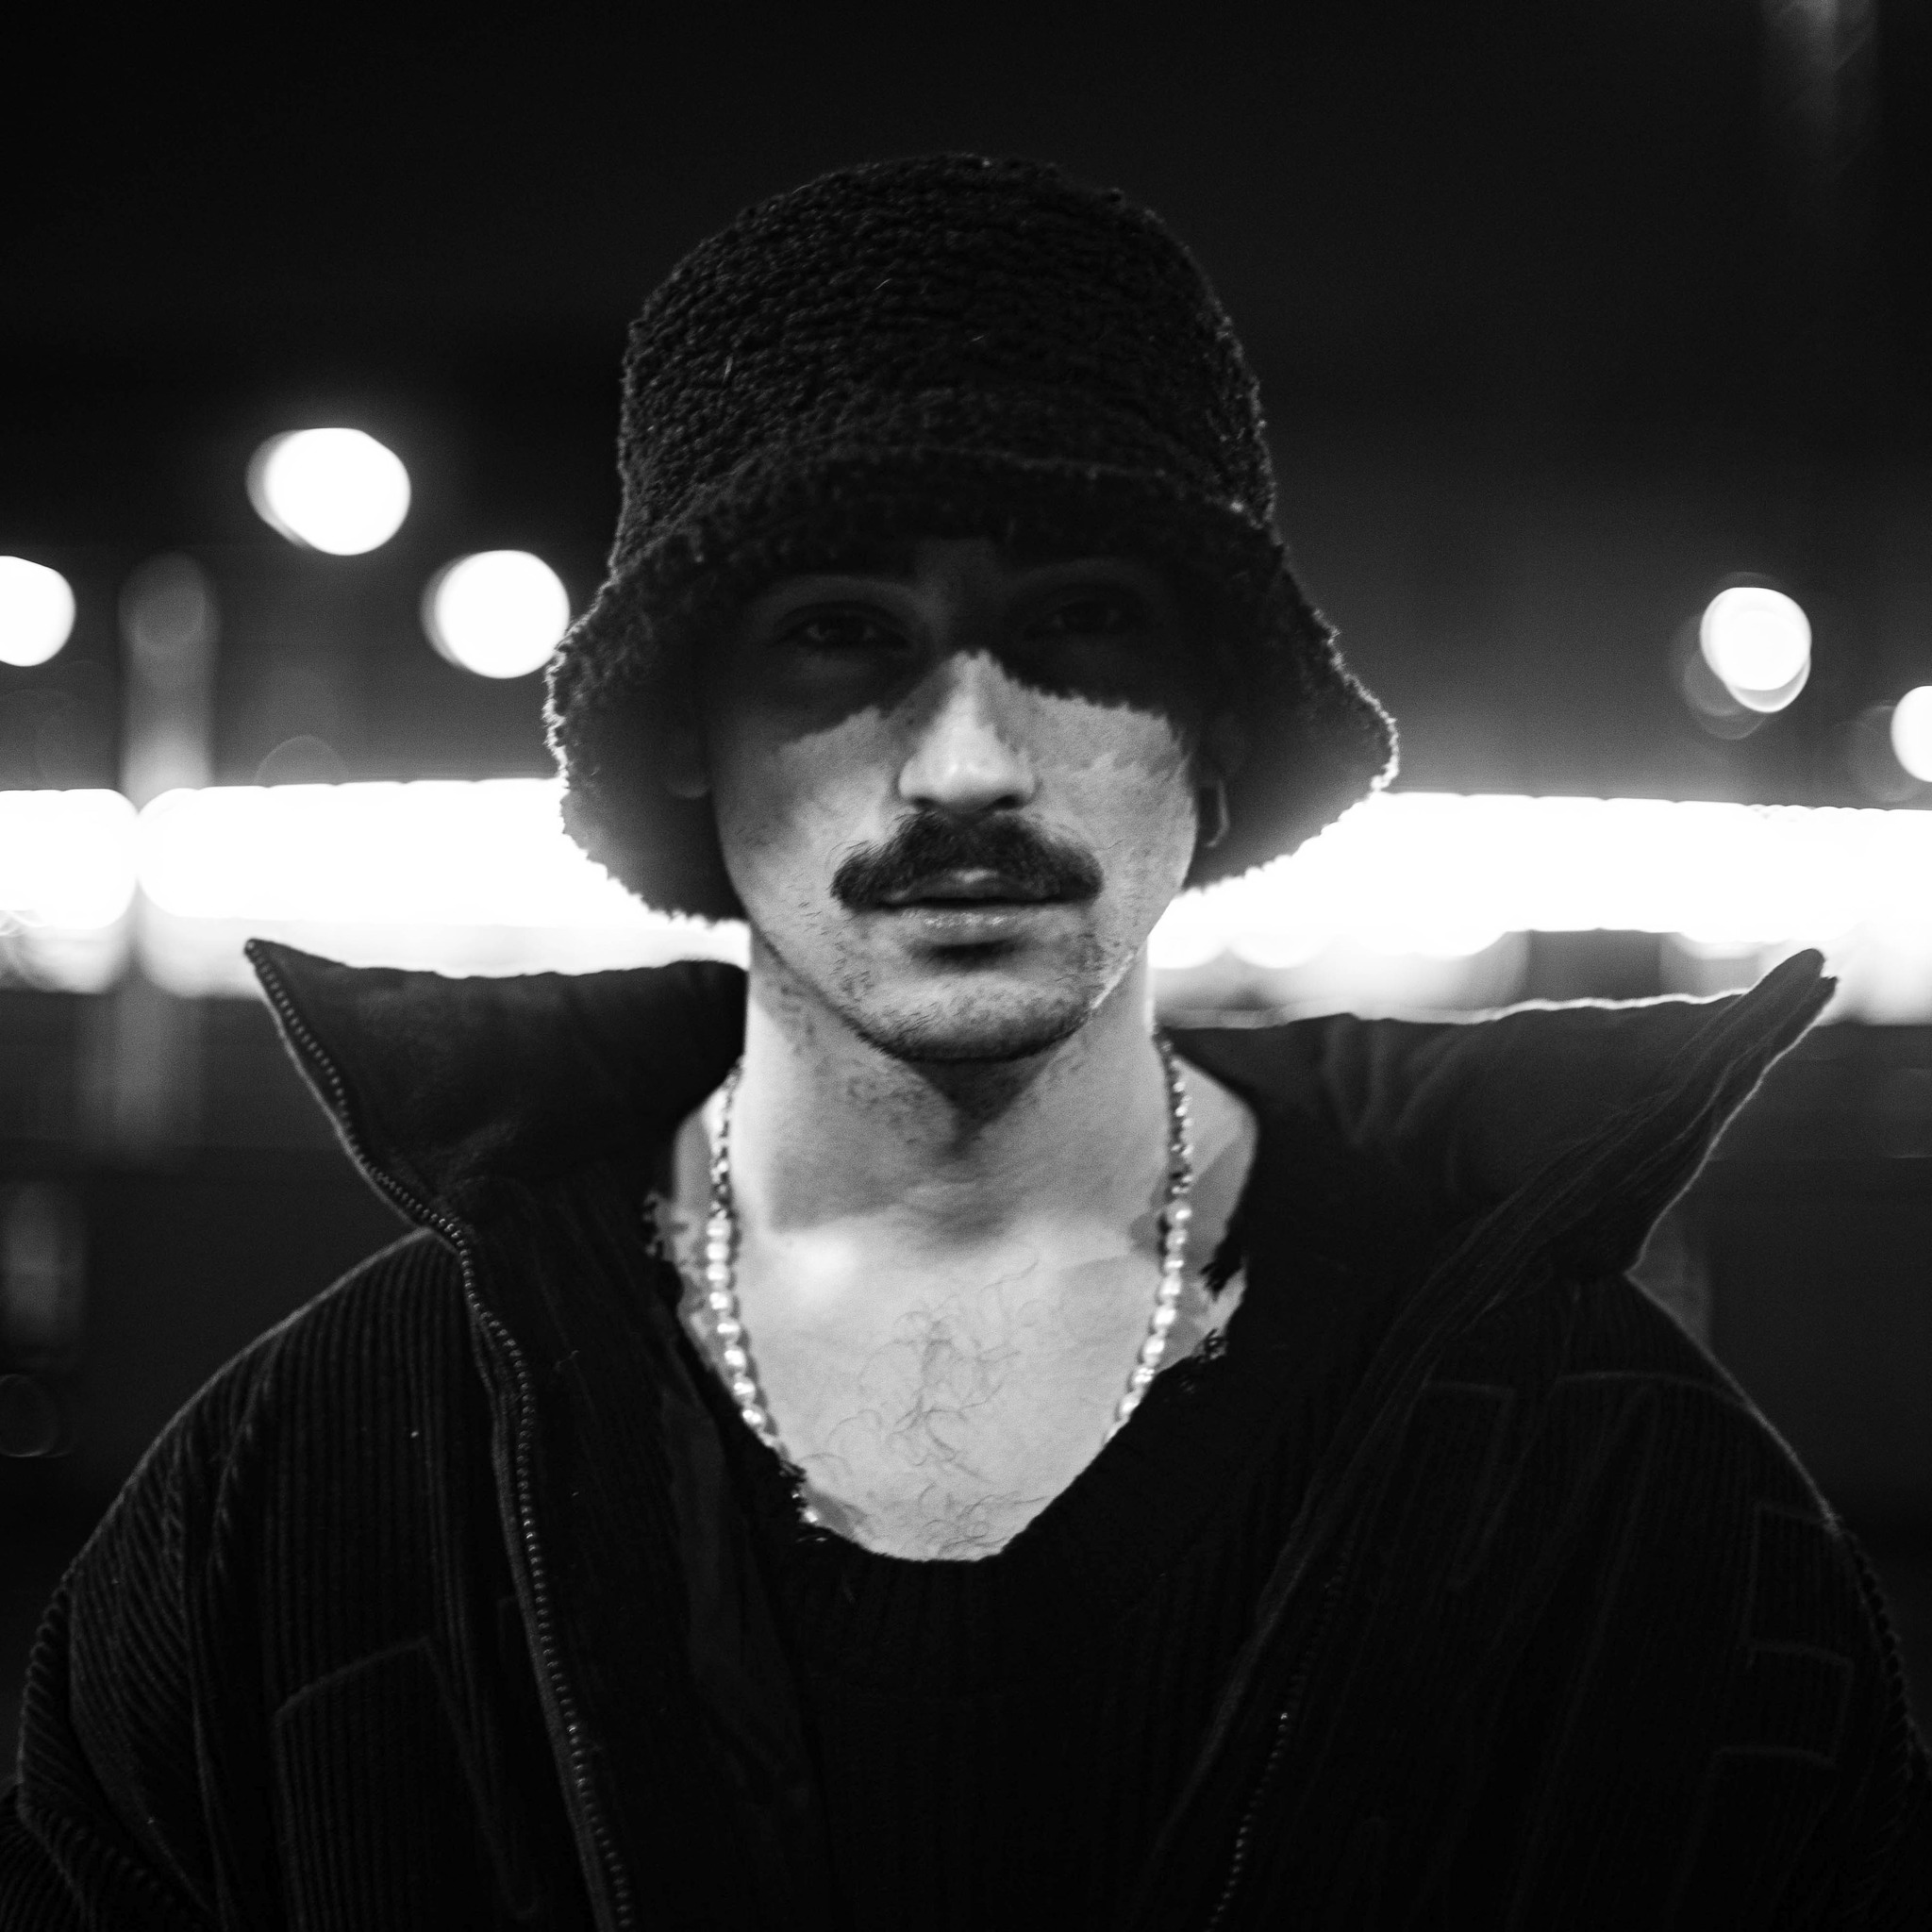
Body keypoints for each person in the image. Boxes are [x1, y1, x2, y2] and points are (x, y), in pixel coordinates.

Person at [2, 153, 1925, 1930]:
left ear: (1220, 730)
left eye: (1079, 622)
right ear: (687, 733)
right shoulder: (301, 1500)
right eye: (841, 632)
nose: (969, 766)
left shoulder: (1622, 1494)